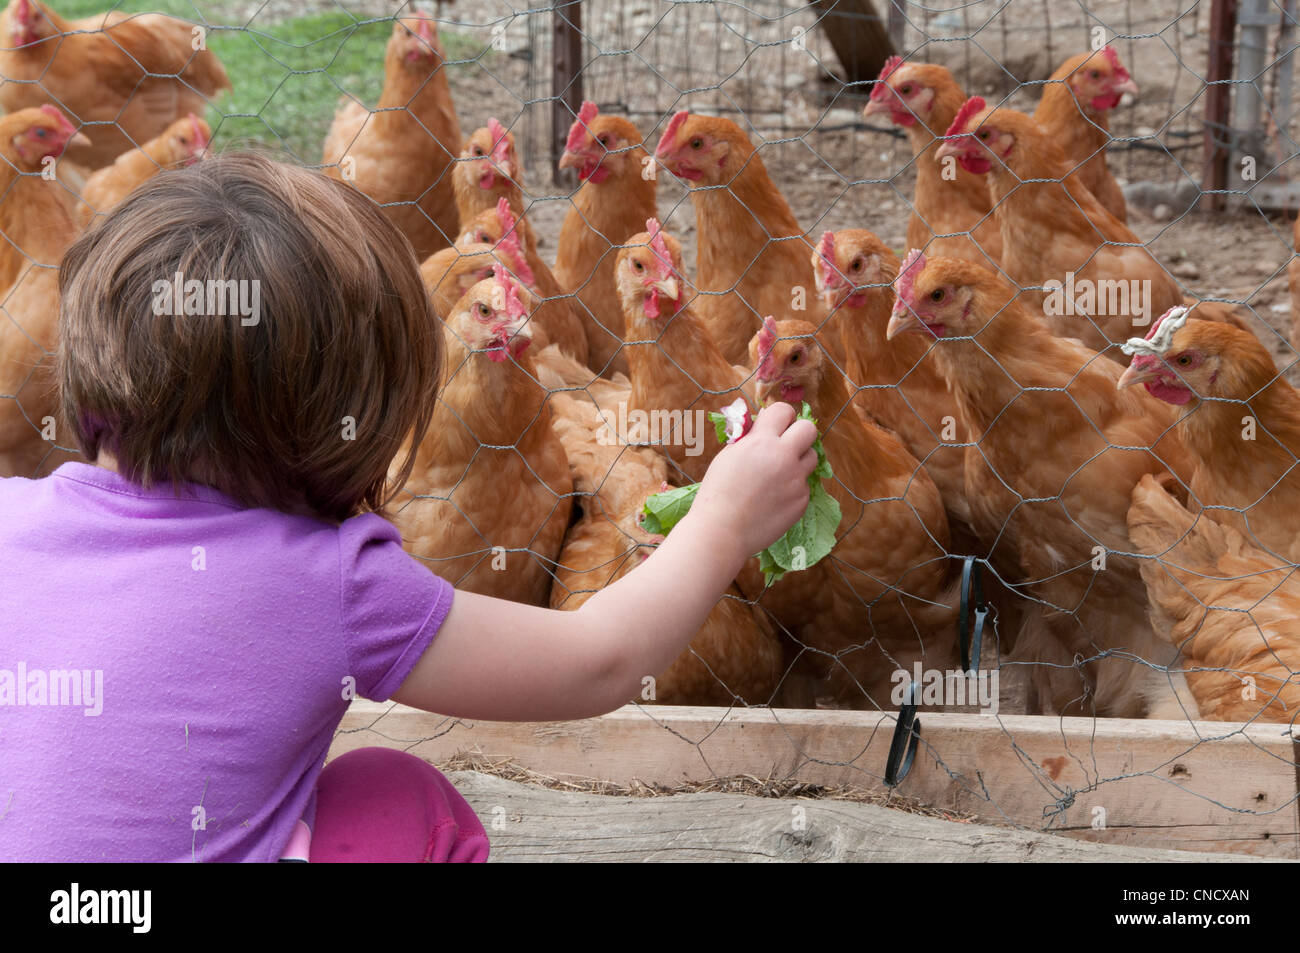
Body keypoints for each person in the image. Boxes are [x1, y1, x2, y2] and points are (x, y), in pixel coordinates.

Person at [0, 152, 818, 862]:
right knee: (396, 795)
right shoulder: (329, 581)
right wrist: (725, 520)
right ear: (349, 406)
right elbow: (597, 658)